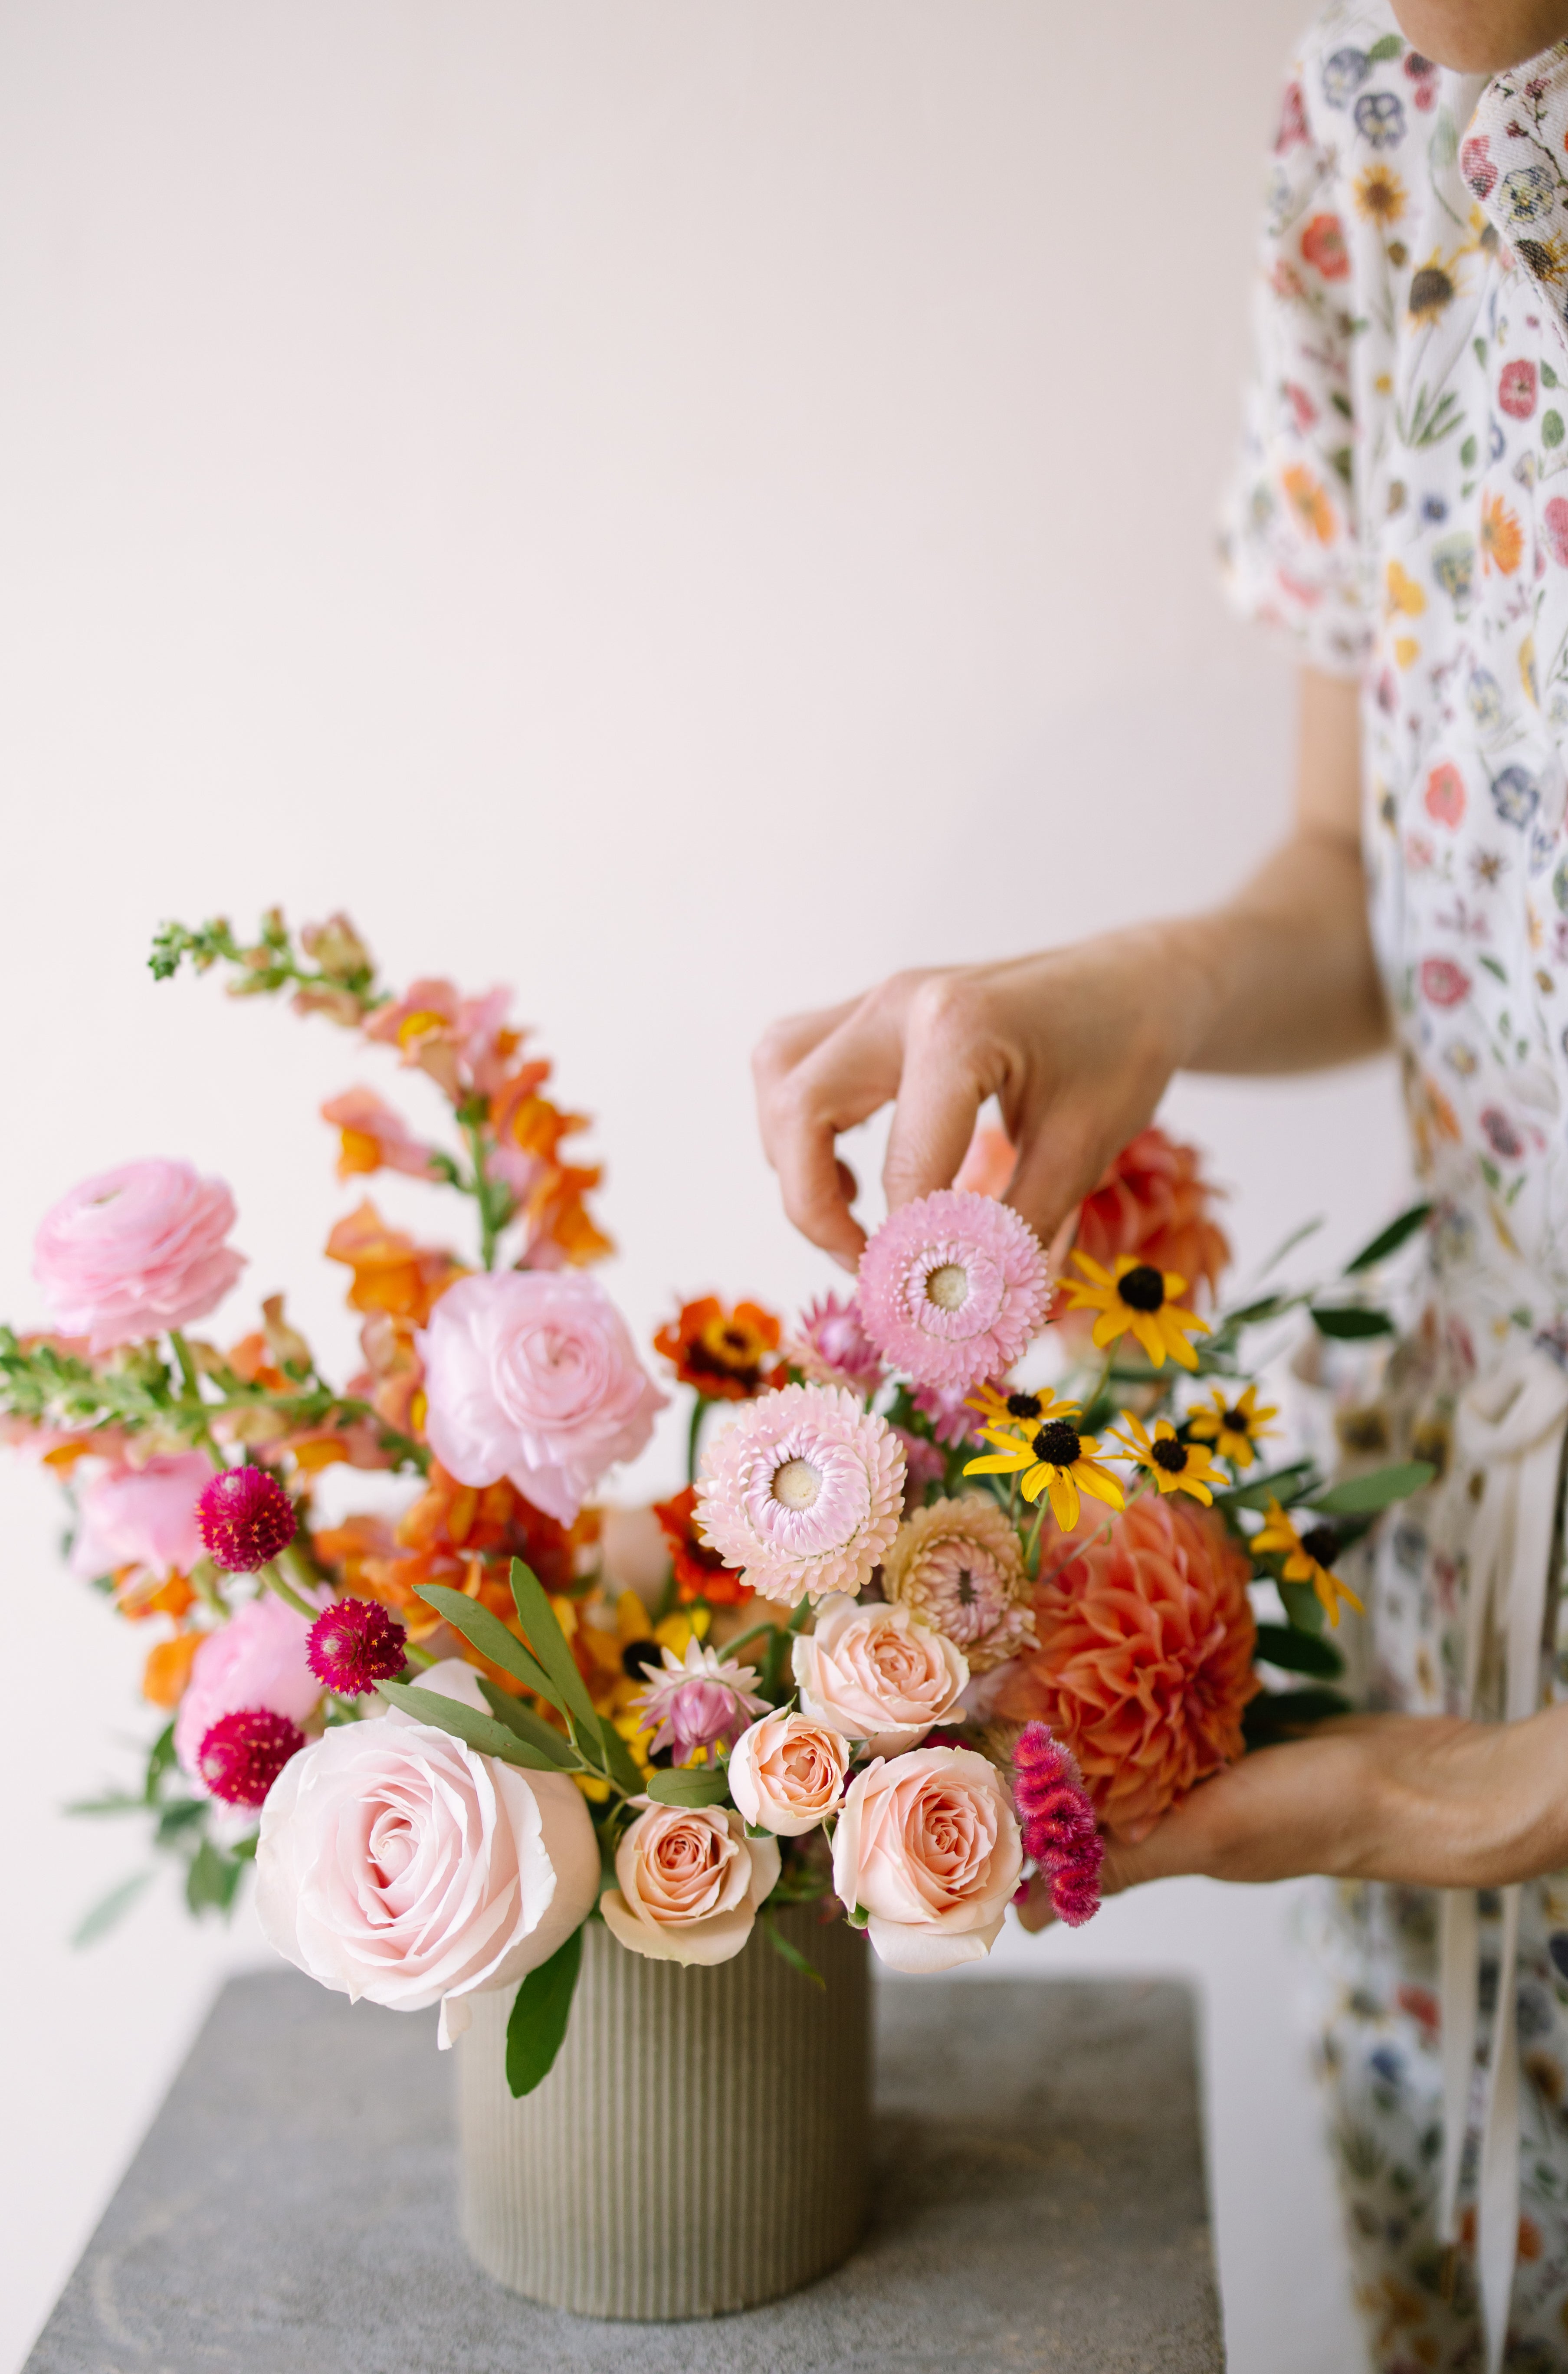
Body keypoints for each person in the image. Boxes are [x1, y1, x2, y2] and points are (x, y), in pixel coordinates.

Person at [753, 5, 1568, 2367]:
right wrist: (1158, 978)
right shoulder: (1370, 122)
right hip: (1470, 1554)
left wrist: (1485, 1797)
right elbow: (1377, 873)